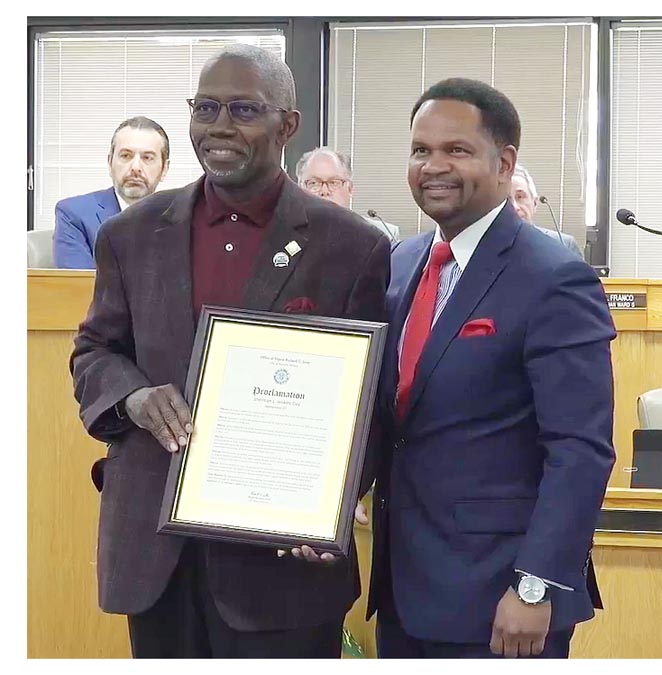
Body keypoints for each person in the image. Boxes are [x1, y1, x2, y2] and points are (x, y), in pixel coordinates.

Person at [70, 45, 390, 659]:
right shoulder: (130, 235)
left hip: (283, 564)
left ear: (287, 125)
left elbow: (369, 395)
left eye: (243, 109)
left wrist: (336, 498)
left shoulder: (351, 246)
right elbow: (95, 351)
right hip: (156, 556)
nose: (218, 126)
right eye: (205, 107)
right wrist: (133, 396)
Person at [366, 77, 616, 659]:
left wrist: (536, 585)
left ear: (504, 163)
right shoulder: (402, 263)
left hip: (503, 598)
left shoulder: (553, 276)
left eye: (456, 150)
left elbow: (580, 449)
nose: (433, 166)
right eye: (420, 150)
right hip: (405, 586)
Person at [53, 116, 170, 269]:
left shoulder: (181, 219)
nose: (135, 167)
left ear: (164, 169)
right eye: (126, 156)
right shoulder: (73, 215)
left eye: (147, 158)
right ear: (110, 163)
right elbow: (78, 288)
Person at [296, 147, 401, 241]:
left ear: (350, 189)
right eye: (313, 183)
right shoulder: (282, 233)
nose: (324, 191)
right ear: (299, 188)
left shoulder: (384, 235)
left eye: (334, 183)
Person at [510, 163, 584, 258]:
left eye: (520, 197)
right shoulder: (488, 244)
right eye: (506, 199)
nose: (514, 207)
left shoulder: (564, 244)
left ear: (535, 203)